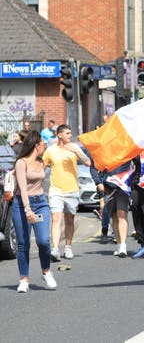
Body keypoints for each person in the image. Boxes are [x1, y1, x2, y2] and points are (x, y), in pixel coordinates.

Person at [12, 130, 56, 293]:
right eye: (43, 144)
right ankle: (24, 279)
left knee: (44, 241)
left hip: (41, 203)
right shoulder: (21, 163)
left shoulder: (41, 161)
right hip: (22, 205)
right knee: (23, 243)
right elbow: (23, 189)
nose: (44, 146)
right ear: (36, 145)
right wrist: (27, 209)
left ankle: (46, 271)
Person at [42, 124, 91, 261]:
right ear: (59, 135)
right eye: (67, 133)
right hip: (56, 190)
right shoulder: (50, 151)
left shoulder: (74, 149)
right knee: (56, 219)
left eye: (70, 133)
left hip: (72, 189)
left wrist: (76, 151)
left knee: (70, 220)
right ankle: (55, 249)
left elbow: (88, 163)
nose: (70, 135)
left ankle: (68, 247)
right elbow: (42, 167)